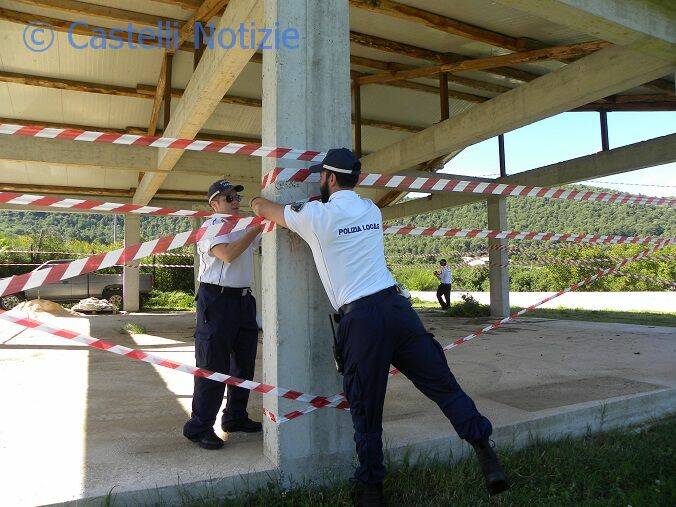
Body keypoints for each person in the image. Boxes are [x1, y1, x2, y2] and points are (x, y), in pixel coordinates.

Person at [250, 148, 508, 505]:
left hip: (363, 320)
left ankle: (371, 487)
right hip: (398, 308)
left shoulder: (314, 216)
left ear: (328, 178)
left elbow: (264, 208)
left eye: (321, 177)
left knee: (366, 405)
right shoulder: (371, 209)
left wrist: (253, 198)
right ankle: (486, 453)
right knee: (443, 386)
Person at [183, 179, 263, 450]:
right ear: (214, 204)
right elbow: (227, 255)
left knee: (244, 363)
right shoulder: (211, 227)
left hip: (243, 300)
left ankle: (235, 417)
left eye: (237, 197)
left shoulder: (242, 225)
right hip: (217, 300)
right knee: (212, 365)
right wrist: (255, 228)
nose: (235, 202)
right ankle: (200, 426)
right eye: (229, 198)